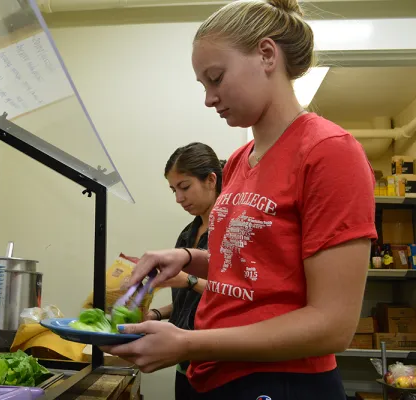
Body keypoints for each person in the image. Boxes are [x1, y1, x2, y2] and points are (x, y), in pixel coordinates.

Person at [102, 0, 377, 398]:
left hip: (282, 382)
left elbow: (333, 325)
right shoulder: (237, 162)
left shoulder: (328, 152)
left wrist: (188, 342)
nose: (209, 98)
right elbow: (253, 271)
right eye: (203, 85)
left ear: (267, 55)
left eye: (216, 78)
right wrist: (188, 258)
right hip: (218, 375)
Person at [145, 142, 222, 399]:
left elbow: (235, 293)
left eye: (185, 187)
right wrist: (155, 314)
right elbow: (190, 301)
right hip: (184, 361)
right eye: (173, 190)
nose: (179, 198)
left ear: (211, 180)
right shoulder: (188, 234)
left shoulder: (231, 234)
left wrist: (188, 280)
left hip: (217, 362)